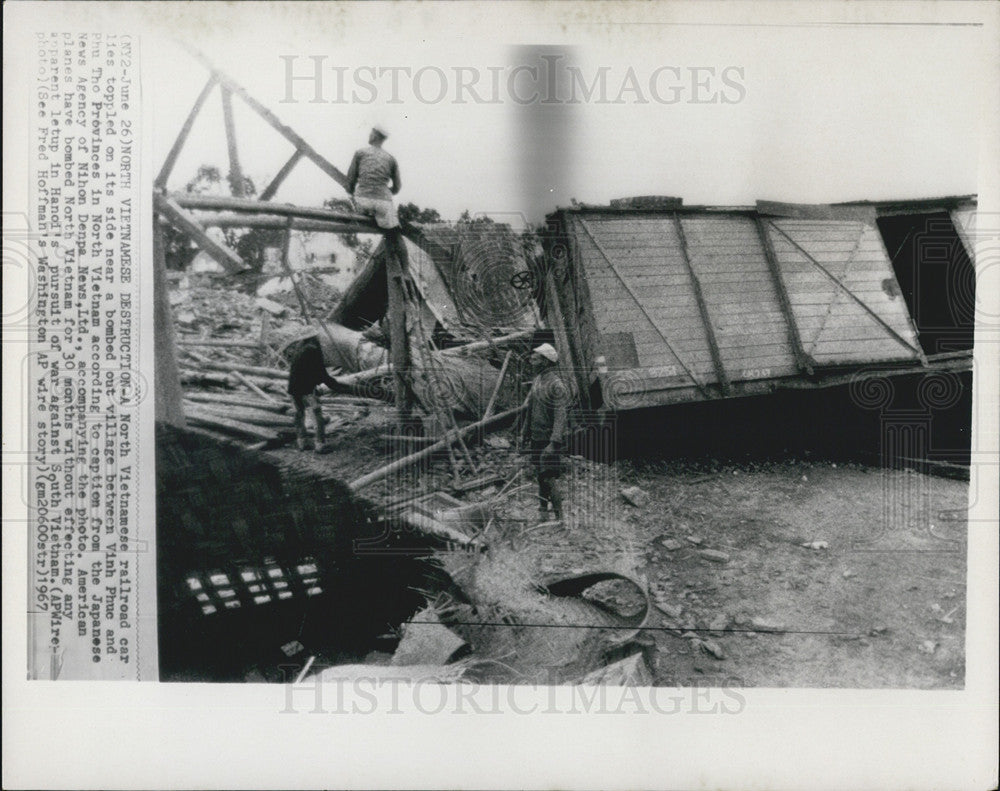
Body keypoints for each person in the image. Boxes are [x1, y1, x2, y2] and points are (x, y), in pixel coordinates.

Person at [521, 343, 573, 522]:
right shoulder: (537, 381)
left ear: (545, 362)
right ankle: (543, 512)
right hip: (536, 437)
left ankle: (560, 518)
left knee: (548, 477)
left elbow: (561, 416)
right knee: (541, 476)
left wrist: (554, 442)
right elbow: (530, 409)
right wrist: (524, 433)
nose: (531, 360)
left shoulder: (556, 385)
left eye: (535, 358)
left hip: (548, 440)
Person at [346, 126, 408, 265]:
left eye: (370, 133)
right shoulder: (391, 159)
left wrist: (354, 192)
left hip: (362, 201)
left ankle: (368, 213)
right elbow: (397, 188)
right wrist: (384, 192)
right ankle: (405, 271)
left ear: (374, 136)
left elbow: (349, 182)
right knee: (396, 235)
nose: (369, 135)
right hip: (383, 204)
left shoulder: (360, 153)